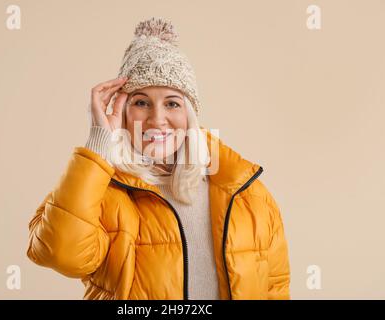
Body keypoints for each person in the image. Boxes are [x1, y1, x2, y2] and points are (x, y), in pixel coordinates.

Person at [26, 17, 291, 300]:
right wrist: (99, 142)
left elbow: (275, 289)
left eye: (172, 103)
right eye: (141, 102)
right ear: (122, 110)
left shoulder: (248, 195)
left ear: (189, 114)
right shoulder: (102, 191)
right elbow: (58, 253)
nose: (157, 119)